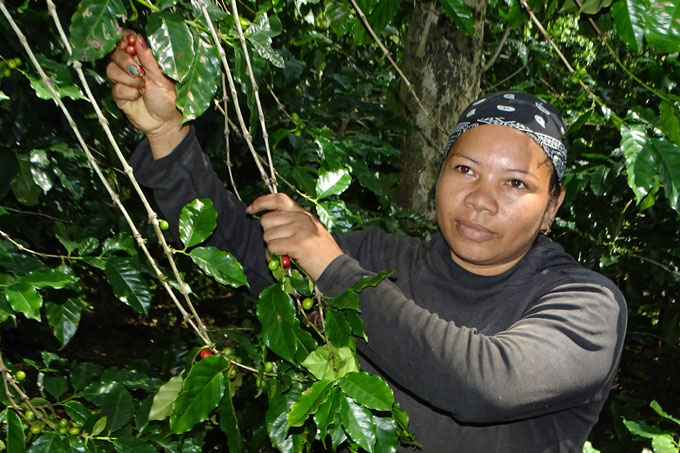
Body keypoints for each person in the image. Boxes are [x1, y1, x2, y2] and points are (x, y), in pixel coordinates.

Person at [107, 33, 627, 452]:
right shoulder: (382, 260)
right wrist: (167, 135)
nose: (480, 200)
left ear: (552, 207)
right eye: (464, 170)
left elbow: (486, 383)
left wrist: (332, 269)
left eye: (516, 183)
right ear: (438, 176)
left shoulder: (585, 304)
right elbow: (242, 251)